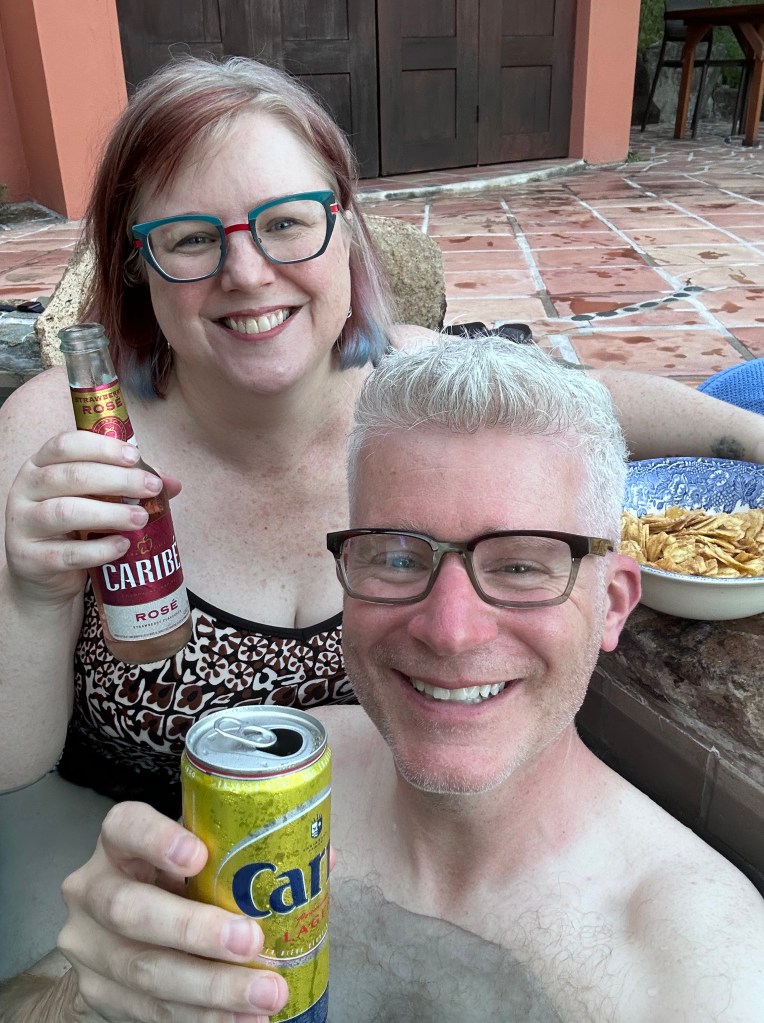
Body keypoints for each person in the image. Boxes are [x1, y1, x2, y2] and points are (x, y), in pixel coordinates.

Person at [2, 54, 764, 822]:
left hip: (390, 863)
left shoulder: (415, 390)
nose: (248, 273)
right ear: (137, 262)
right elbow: (13, 776)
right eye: (193, 238)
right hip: (127, 867)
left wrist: (752, 436)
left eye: (286, 222)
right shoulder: (61, 436)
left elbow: (590, 404)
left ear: (344, 229)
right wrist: (32, 594)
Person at [4, 336, 761, 1023]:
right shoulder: (290, 784)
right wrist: (93, 991)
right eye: (398, 557)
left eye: (522, 565)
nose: (450, 630)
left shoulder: (702, 969)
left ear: (612, 604)